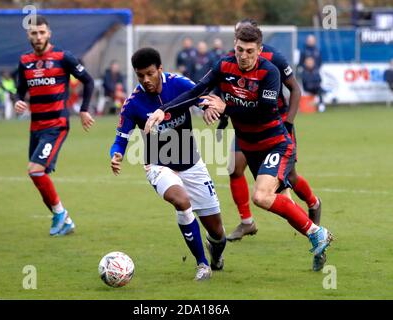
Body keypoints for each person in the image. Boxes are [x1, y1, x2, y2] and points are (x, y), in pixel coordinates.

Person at [145, 25, 334, 272]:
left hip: (275, 144)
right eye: (239, 49)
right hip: (250, 147)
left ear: (259, 50)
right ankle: (316, 235)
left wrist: (225, 109)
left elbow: (263, 111)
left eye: (249, 51)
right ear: (234, 44)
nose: (243, 55)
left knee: (261, 197)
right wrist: (164, 110)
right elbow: (195, 92)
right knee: (280, 201)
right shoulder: (224, 65)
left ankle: (317, 230)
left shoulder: (269, 71)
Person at [110, 47, 226, 281]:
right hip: (158, 165)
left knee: (217, 232)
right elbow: (120, 139)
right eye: (140, 75)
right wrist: (117, 154)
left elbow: (201, 96)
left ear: (160, 69)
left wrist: (209, 107)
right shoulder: (133, 103)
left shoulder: (179, 83)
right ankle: (202, 264)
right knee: (181, 202)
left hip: (191, 163)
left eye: (150, 73)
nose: (146, 80)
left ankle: (215, 252)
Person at [216, 19, 323, 263]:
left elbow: (295, 89)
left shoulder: (274, 58)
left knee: (289, 180)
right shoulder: (232, 59)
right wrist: (222, 116)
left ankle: (313, 204)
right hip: (244, 126)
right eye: (237, 40)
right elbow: (222, 87)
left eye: (246, 43)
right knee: (234, 168)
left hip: (274, 127)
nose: (241, 49)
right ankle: (247, 222)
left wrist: (289, 122)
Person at [14, 15, 95, 236]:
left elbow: (88, 80)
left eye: (42, 32)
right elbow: (20, 88)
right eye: (34, 33)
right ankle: (63, 219)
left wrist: (84, 109)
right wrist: (19, 100)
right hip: (35, 127)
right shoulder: (24, 61)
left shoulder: (63, 57)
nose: (38, 36)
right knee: (37, 175)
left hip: (56, 125)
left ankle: (60, 214)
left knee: (35, 170)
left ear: (49, 33)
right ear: (28, 35)